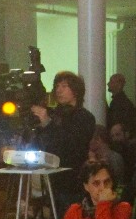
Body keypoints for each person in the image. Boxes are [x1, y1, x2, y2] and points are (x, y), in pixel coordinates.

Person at [33, 71, 96, 207]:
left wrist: (47, 123)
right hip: (50, 178)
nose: (58, 90)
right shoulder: (54, 115)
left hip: (72, 180)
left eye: (64, 86)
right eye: (57, 86)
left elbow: (71, 145)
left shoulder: (84, 117)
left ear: (76, 91)